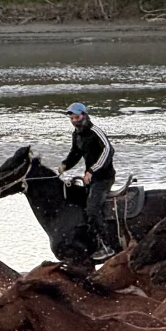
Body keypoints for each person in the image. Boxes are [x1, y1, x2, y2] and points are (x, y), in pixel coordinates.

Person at [60, 102, 115, 253]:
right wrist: (64, 166)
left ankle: (106, 245)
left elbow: (108, 151)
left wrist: (91, 171)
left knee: (92, 208)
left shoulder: (95, 132)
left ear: (84, 116)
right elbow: (75, 153)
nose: (74, 121)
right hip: (90, 178)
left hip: (104, 177)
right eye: (71, 118)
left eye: (76, 117)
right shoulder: (76, 134)